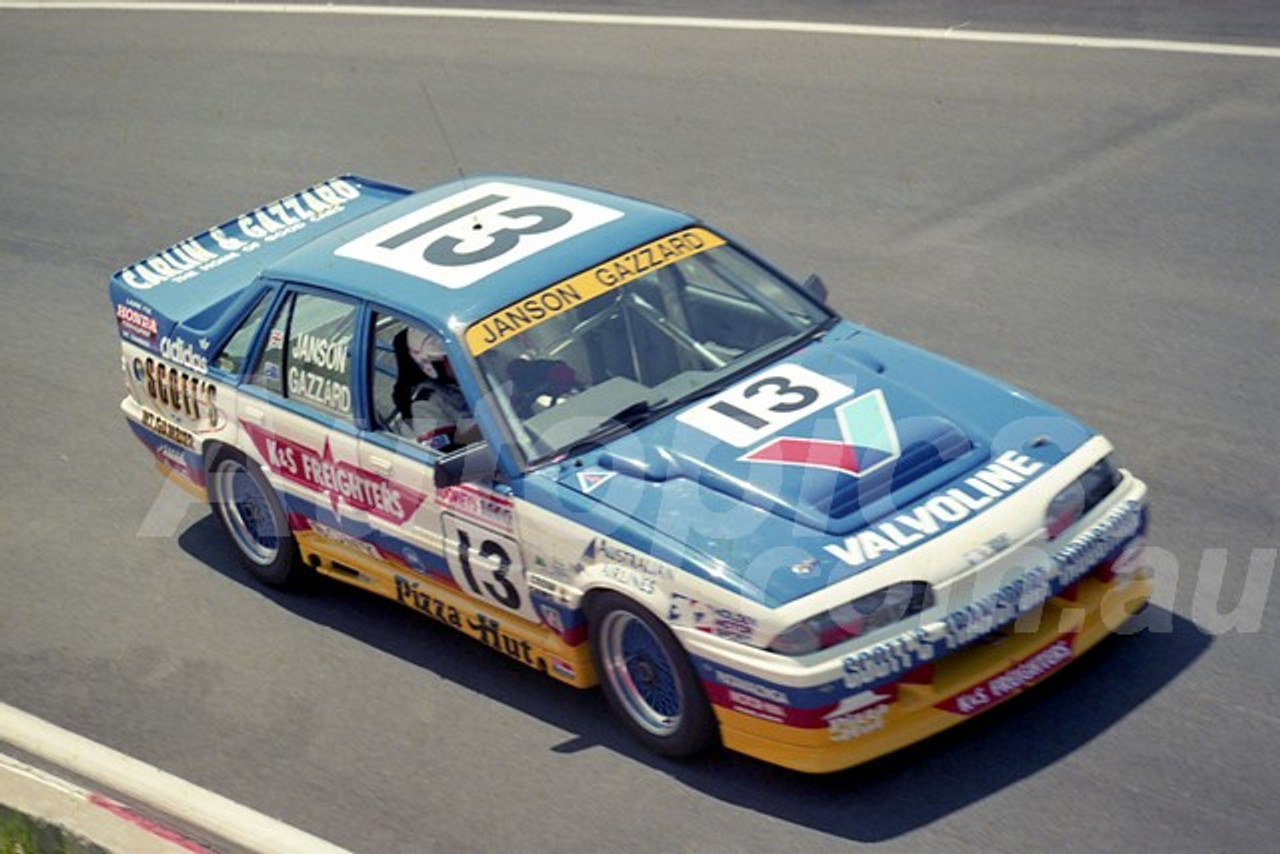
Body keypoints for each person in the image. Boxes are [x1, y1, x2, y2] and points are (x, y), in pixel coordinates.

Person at [393, 327, 478, 451]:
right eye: (451, 358)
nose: (463, 361)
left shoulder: (488, 370)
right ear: (431, 365)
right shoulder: (426, 404)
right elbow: (447, 453)